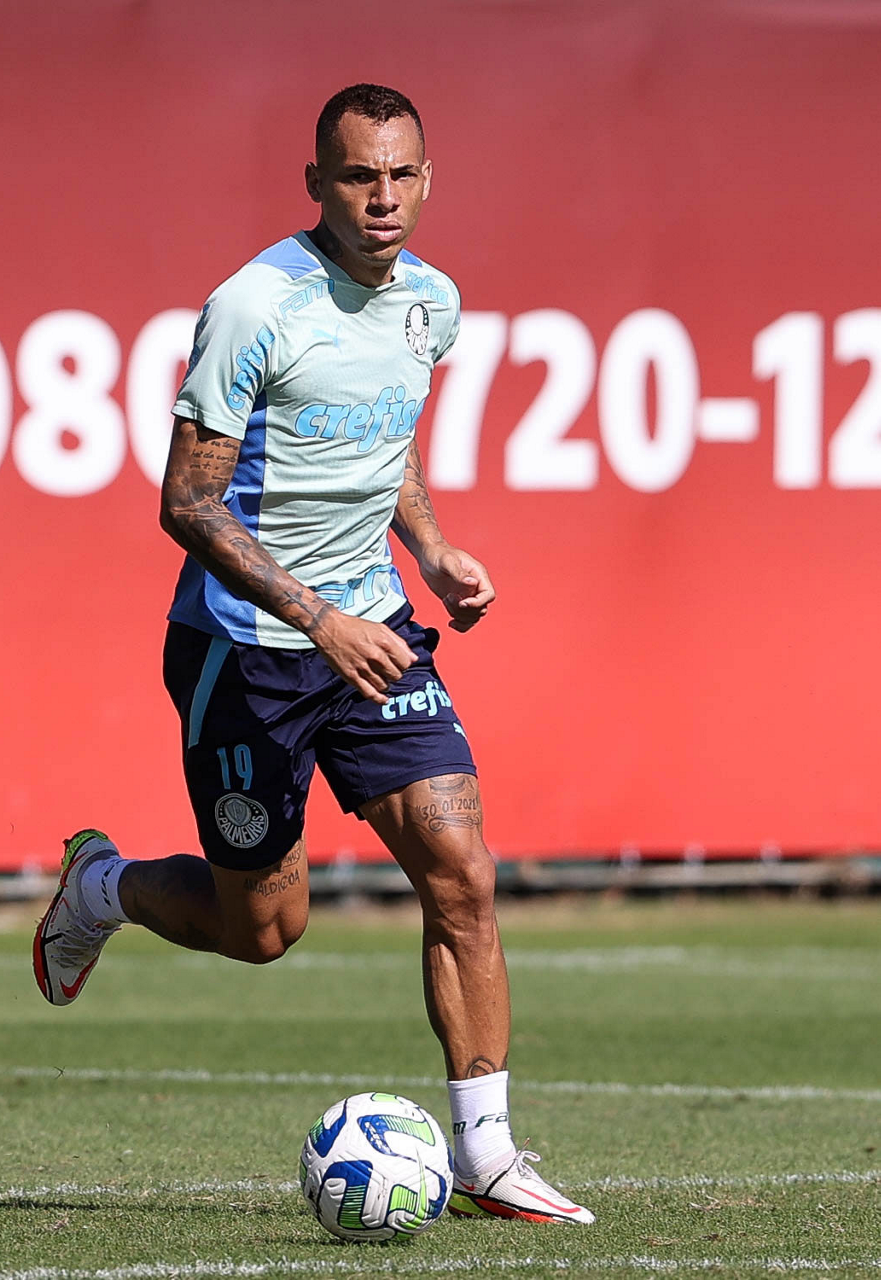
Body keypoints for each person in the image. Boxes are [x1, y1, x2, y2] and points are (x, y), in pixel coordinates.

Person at [33, 83, 594, 1227]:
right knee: (263, 931)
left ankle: (486, 1152)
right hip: (244, 652)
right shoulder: (255, 305)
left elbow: (387, 439)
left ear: (426, 180)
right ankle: (101, 886)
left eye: (399, 174)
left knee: (462, 872)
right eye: (356, 175)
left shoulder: (431, 302)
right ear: (316, 184)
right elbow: (187, 503)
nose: (381, 197)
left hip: (374, 632)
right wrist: (315, 620)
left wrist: (428, 549)